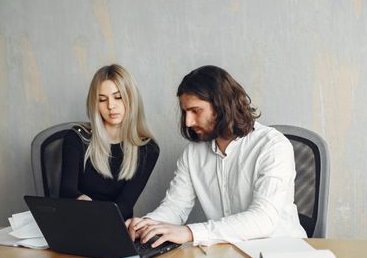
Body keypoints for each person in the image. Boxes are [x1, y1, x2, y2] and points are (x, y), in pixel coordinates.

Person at [126, 65, 306, 247]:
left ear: (222, 106)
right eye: (185, 112)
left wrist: (190, 232)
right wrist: (146, 224)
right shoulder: (193, 153)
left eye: (196, 111)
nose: (188, 122)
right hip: (228, 256)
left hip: (282, 254)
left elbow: (263, 219)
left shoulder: (273, 146)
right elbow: (175, 207)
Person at [59, 64, 159, 220]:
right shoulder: (77, 138)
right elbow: (66, 190)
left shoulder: (147, 149)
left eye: (118, 97)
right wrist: (81, 200)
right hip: (78, 221)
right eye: (102, 99)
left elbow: (125, 205)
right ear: (95, 104)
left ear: (131, 98)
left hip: (116, 226)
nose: (111, 106)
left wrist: (99, 216)